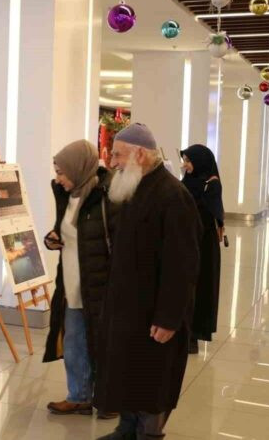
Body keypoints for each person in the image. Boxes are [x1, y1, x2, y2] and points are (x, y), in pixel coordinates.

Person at [95, 124, 202, 440]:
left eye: (117, 154)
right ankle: (126, 429)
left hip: (156, 313)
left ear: (139, 154)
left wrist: (169, 317)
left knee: (152, 379)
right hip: (128, 309)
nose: (112, 162)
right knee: (127, 372)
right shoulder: (135, 186)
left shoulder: (172, 196)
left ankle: (148, 435)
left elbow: (182, 265)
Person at [42, 140, 119, 420]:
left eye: (61, 171)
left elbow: (118, 243)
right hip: (71, 282)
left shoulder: (107, 195)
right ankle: (79, 397)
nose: (57, 178)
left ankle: (109, 399)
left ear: (78, 167)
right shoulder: (67, 195)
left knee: (103, 343)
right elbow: (64, 231)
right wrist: (52, 239)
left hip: (99, 284)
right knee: (74, 342)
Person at [180, 144, 224, 354]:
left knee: (200, 288)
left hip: (203, 246)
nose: (185, 165)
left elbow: (208, 214)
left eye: (188, 161)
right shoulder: (187, 182)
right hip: (187, 242)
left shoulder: (211, 185)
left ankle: (194, 335)